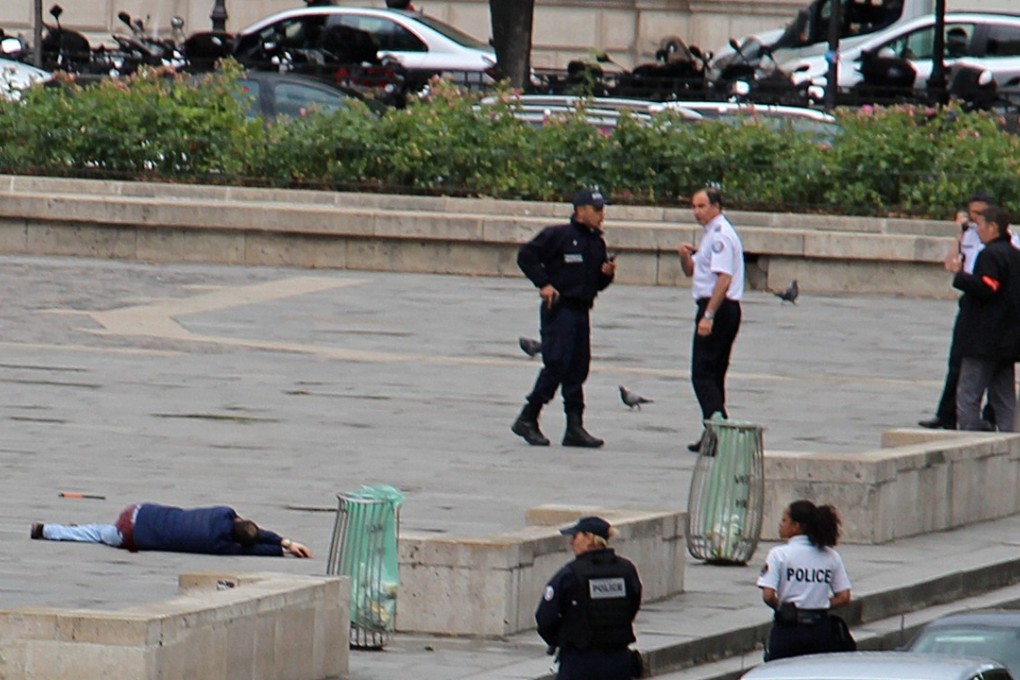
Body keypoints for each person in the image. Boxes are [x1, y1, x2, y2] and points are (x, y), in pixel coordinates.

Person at [512, 188, 617, 448]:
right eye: (597, 209)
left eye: (603, 209)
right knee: (557, 362)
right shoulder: (558, 235)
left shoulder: (596, 242)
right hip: (559, 309)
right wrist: (544, 283)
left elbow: (597, 283)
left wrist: (607, 274)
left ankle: (574, 426)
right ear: (580, 211)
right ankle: (528, 416)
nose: (602, 215)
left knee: (577, 367)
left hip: (581, 310)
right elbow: (526, 256)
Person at [919, 192, 994, 430]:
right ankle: (946, 414)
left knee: (994, 366)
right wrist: (959, 233)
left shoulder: (1009, 240)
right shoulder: (968, 235)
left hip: (992, 302)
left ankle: (991, 415)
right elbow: (950, 263)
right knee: (957, 360)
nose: (975, 218)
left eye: (980, 214)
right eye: (973, 213)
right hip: (970, 298)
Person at [677, 187, 744, 452]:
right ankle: (714, 431)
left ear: (716, 206)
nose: (696, 211)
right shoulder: (709, 235)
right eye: (694, 206)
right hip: (715, 305)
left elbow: (723, 279)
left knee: (703, 374)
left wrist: (708, 315)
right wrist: (685, 257)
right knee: (713, 374)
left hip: (718, 306)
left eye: (702, 206)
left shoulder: (720, 236)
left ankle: (719, 428)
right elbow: (693, 271)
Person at [536, 516, 642, 680]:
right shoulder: (626, 570)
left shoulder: (570, 574)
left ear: (589, 538)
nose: (571, 542)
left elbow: (545, 618)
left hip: (579, 661)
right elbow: (633, 605)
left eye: (575, 536)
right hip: (618, 660)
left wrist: (564, 638)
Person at [946, 206, 1020, 432]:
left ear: (993, 227)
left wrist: (960, 276)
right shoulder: (1014, 254)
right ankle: (1012, 438)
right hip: (1007, 340)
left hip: (983, 339)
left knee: (968, 394)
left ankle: (969, 437)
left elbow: (989, 286)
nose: (978, 231)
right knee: (1004, 396)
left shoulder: (991, 254)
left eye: (980, 225)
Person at [756, 500, 852, 662]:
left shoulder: (779, 554)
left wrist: (782, 608)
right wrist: (820, 603)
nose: (781, 524)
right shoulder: (831, 556)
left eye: (784, 520)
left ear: (796, 526)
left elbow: (768, 595)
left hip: (788, 630)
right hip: (820, 630)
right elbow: (844, 596)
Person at [30, 502, 312, 557]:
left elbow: (253, 531)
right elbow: (255, 547)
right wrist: (281, 548)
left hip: (139, 510)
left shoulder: (223, 512)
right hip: (128, 535)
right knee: (97, 535)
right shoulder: (221, 545)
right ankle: (48, 531)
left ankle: (50, 529)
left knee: (97, 530)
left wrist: (286, 541)